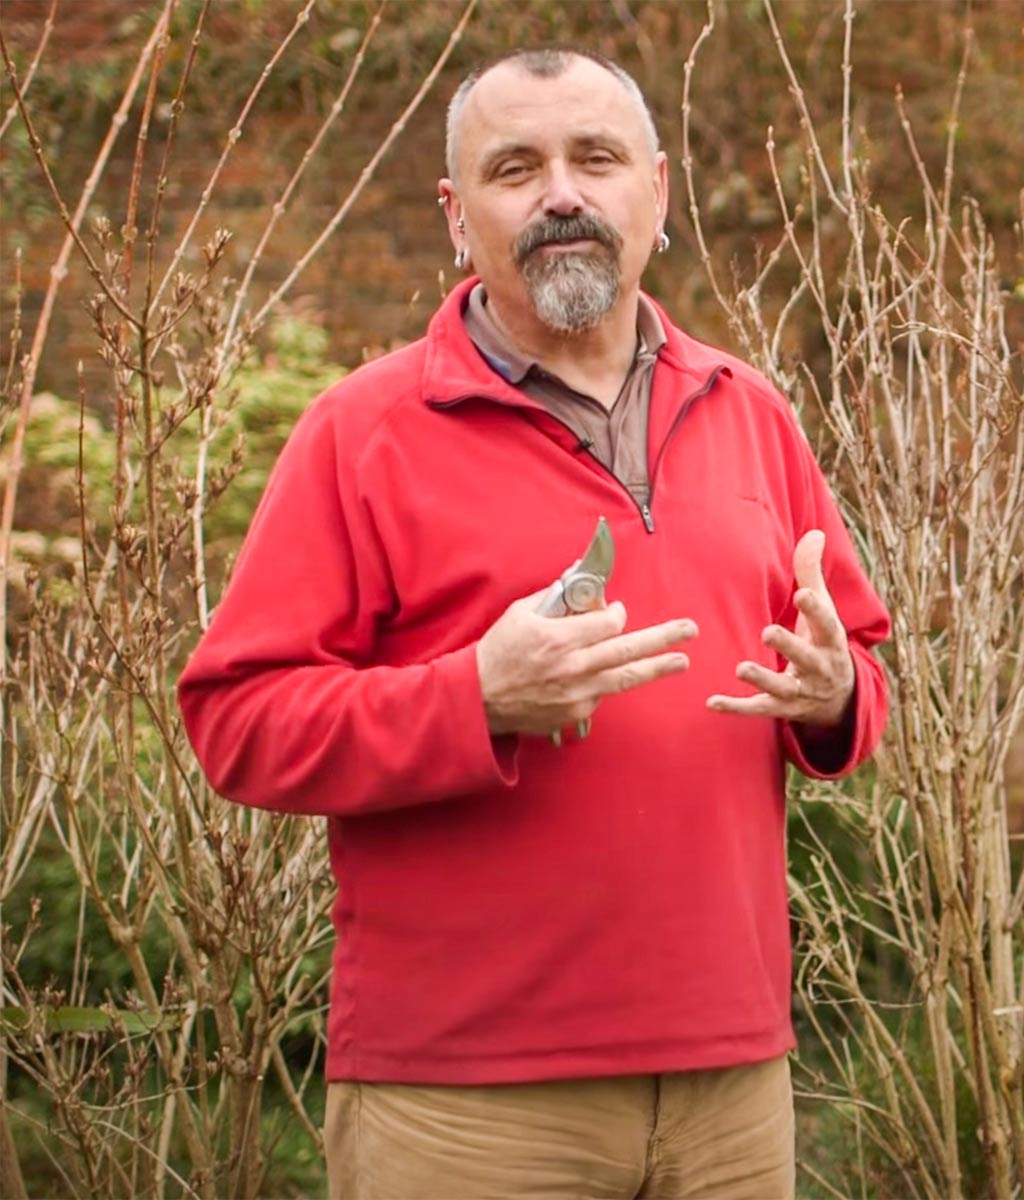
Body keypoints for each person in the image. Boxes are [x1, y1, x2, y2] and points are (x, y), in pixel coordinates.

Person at [178, 45, 890, 1200]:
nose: (562, 192)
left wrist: (836, 695)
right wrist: (472, 699)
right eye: (517, 167)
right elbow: (237, 721)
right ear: (461, 218)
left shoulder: (750, 410)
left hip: (734, 1087)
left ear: (657, 191)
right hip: (467, 1105)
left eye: (595, 158)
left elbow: (858, 675)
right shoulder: (364, 433)